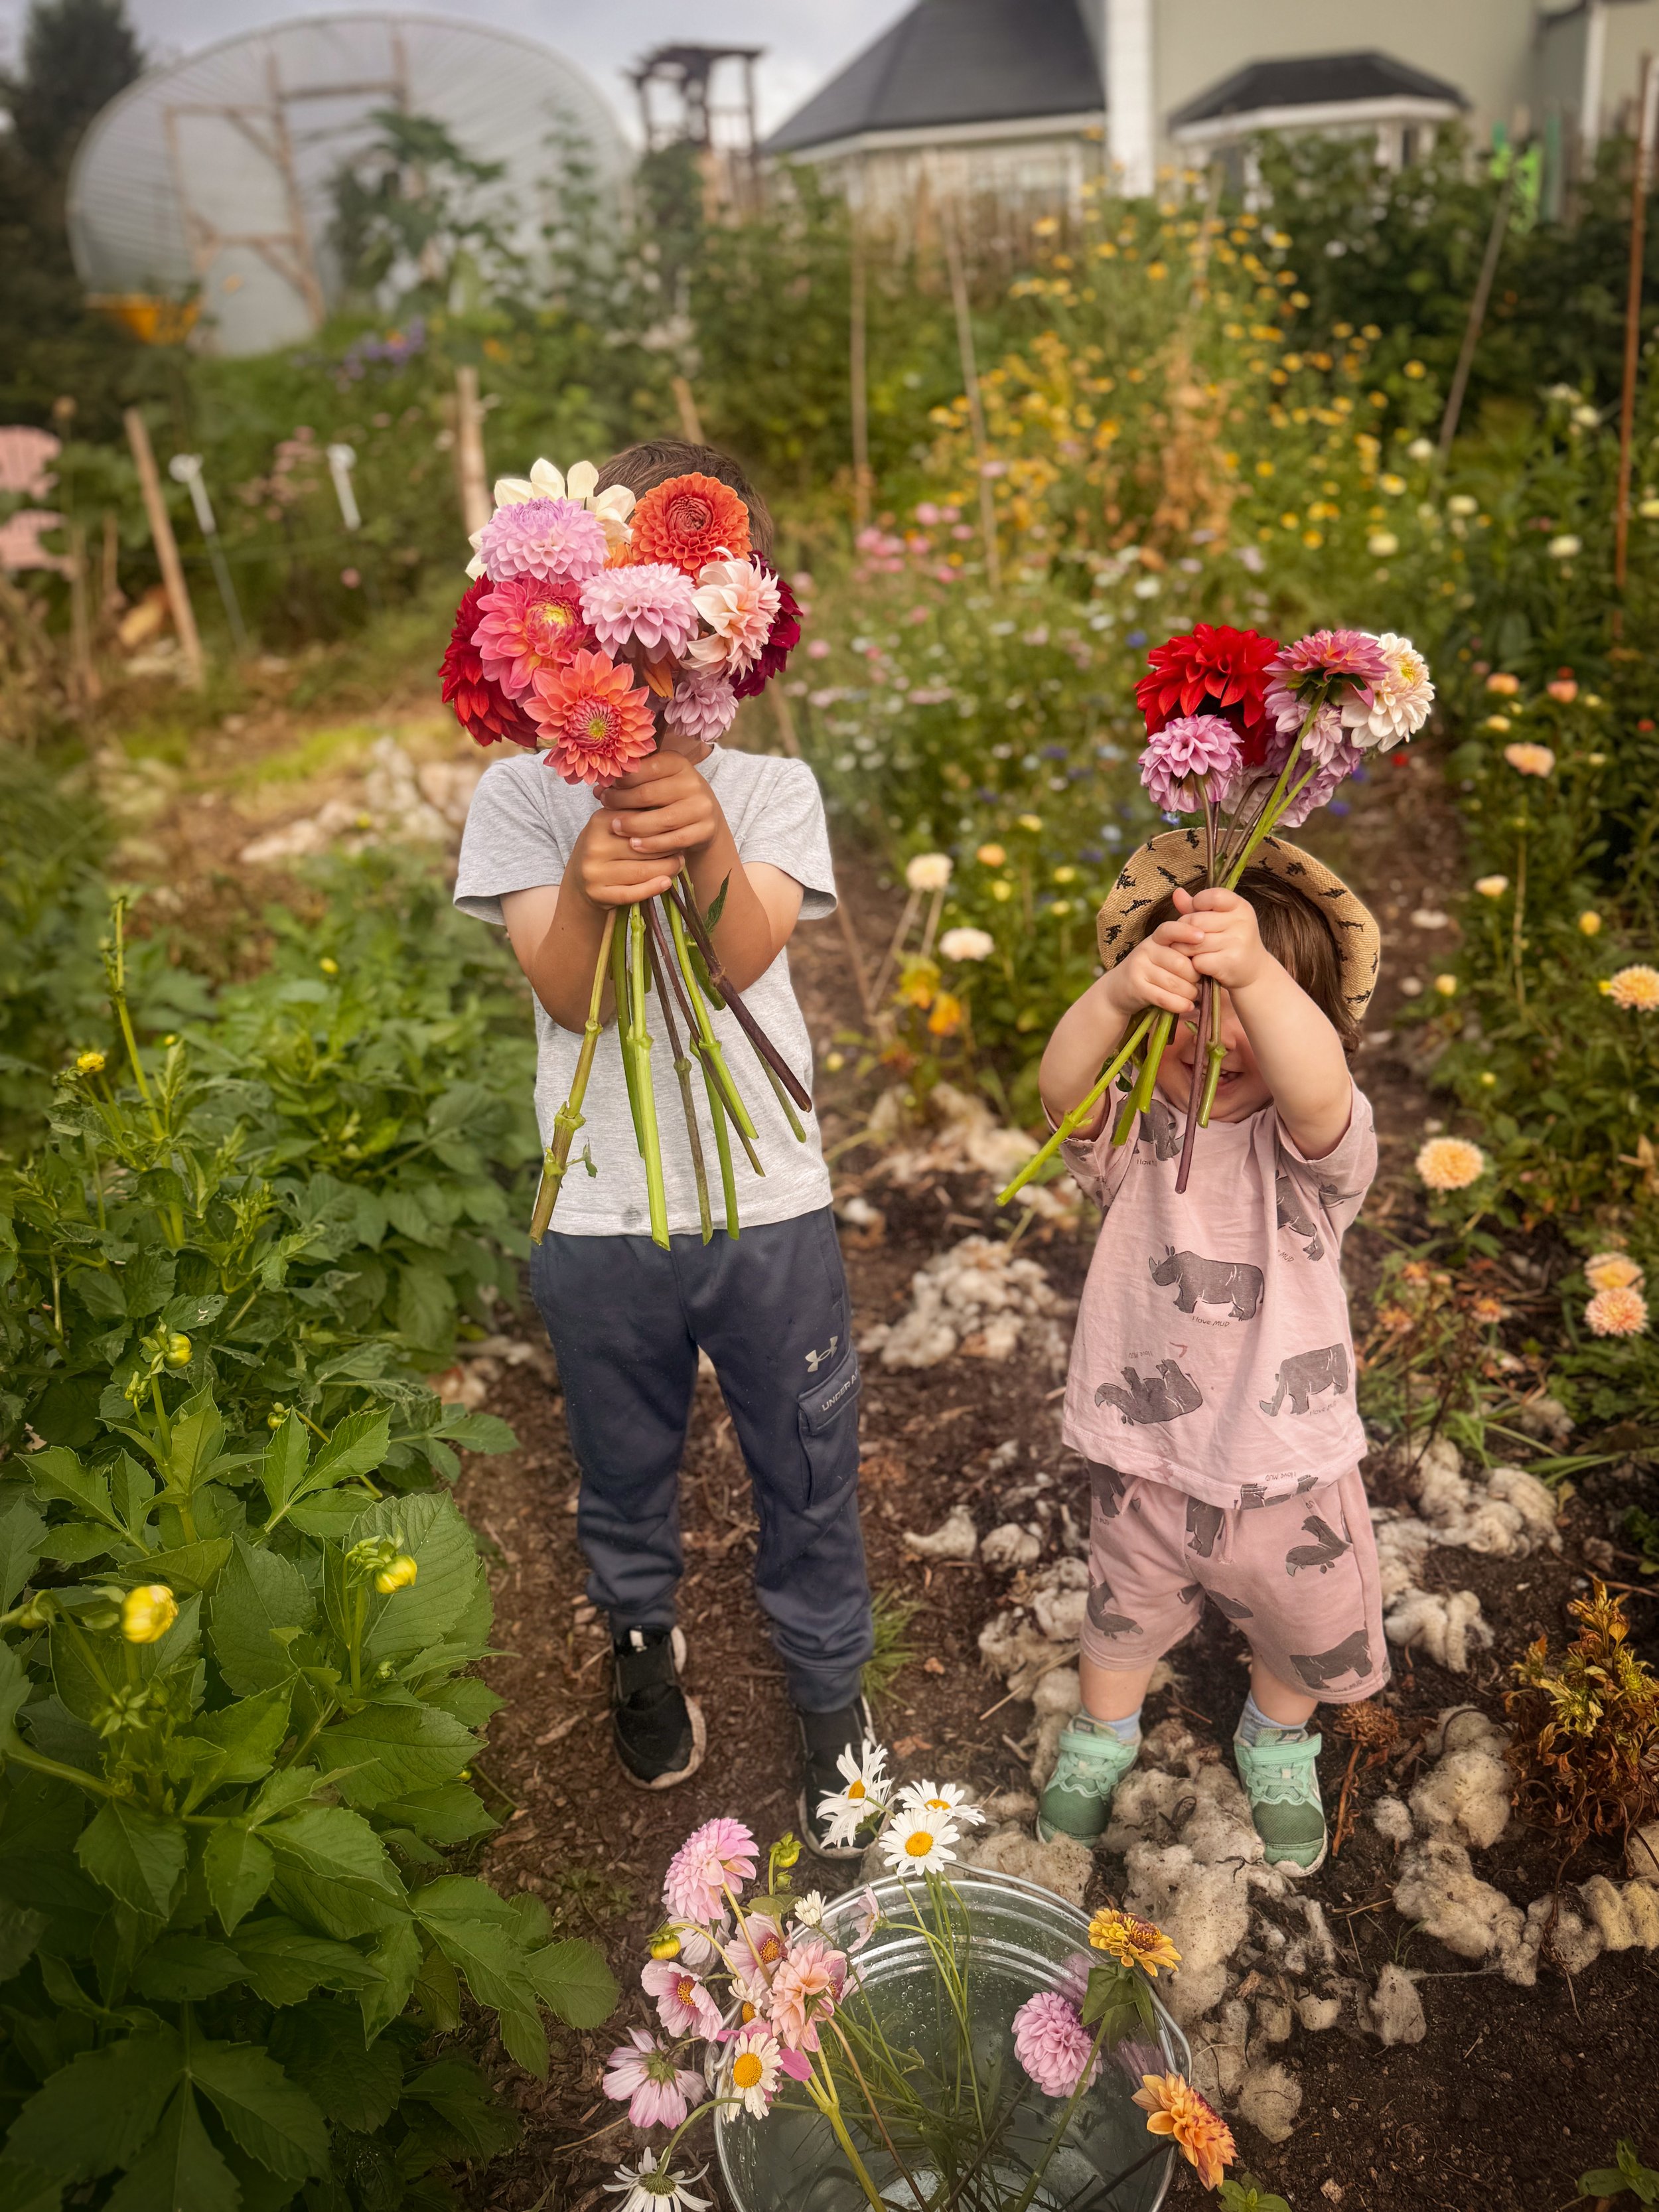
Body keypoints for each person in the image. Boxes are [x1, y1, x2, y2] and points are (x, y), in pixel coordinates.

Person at [452, 439, 876, 1856]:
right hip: (597, 1217)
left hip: (767, 1204)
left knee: (804, 1454)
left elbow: (740, 952)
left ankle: (829, 1696)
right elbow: (571, 991)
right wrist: (585, 872)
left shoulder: (769, 791)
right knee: (618, 1452)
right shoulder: (522, 797)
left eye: (691, 634)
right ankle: (640, 1632)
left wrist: (694, 844)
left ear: (731, 639)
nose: (656, 668)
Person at [1034, 830, 1386, 1872]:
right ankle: (1104, 1730)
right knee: (1123, 1604)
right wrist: (1111, 999)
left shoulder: (1312, 1151)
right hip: (1144, 1449)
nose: (1220, 1039)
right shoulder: (1135, 1127)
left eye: (1255, 1018)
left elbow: (1317, 1088)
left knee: (1303, 1616)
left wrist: (1255, 972)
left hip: (1287, 1466)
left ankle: (1277, 1733)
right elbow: (1060, 1093)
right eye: (1193, 1012)